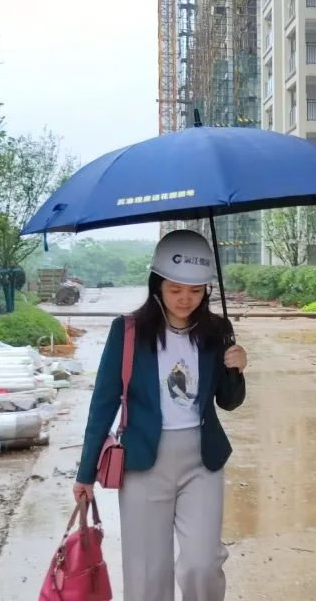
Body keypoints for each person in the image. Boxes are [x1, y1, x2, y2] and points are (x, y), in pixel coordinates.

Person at [72, 229, 248, 601]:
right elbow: (103, 404)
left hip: (202, 461)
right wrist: (85, 473)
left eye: (195, 290)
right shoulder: (128, 331)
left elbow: (229, 402)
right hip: (143, 463)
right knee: (147, 573)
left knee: (202, 564)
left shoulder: (218, 331)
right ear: (157, 286)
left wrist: (236, 368)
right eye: (175, 289)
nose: (185, 299)